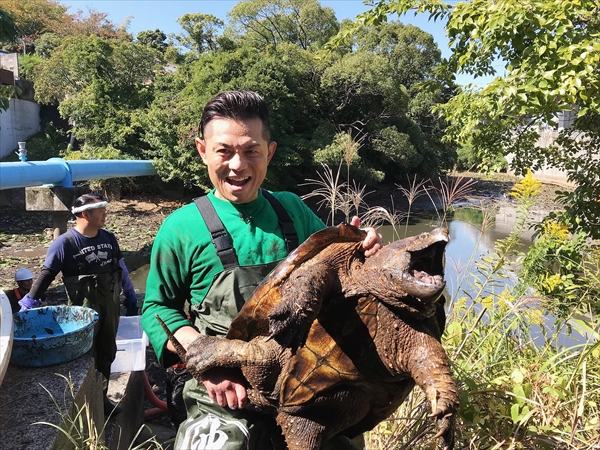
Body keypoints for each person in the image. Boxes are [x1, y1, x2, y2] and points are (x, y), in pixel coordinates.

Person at [141, 90, 382, 450]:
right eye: (224, 150)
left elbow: (340, 266)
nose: (238, 165)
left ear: (269, 152)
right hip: (223, 389)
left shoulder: (292, 211)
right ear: (202, 150)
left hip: (305, 378)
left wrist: (365, 249)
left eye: (251, 150)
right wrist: (209, 364)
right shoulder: (181, 228)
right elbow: (157, 308)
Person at [23, 193, 139, 415]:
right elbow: (47, 274)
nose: (105, 213)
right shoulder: (64, 243)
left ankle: (102, 399)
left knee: (107, 352)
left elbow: (120, 268)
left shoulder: (109, 238)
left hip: (109, 306)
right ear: (85, 214)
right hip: (81, 314)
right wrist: (29, 301)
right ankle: (82, 404)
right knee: (84, 356)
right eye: (100, 209)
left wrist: (130, 293)